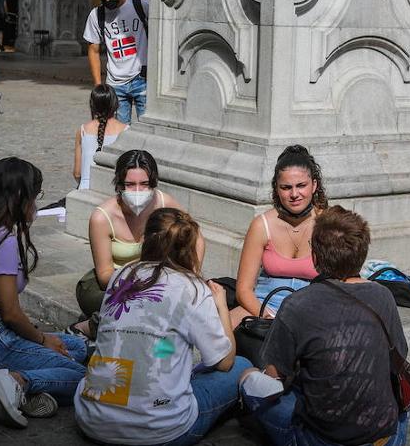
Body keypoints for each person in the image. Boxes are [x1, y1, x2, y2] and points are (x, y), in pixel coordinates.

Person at [75, 208, 251, 445]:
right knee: (241, 365)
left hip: (92, 420)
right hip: (159, 433)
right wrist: (220, 305)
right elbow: (225, 361)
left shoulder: (123, 275)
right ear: (191, 250)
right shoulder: (193, 289)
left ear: (145, 240)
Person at [239, 206, 410, 446]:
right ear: (361, 255)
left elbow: (275, 375)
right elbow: (400, 354)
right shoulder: (383, 295)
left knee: (249, 377)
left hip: (321, 439)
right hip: (382, 437)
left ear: (315, 258)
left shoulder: (297, 304)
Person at [0, 157, 89, 428]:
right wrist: (43, 339)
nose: (36, 204)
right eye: (35, 196)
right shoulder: (3, 241)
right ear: (21, 197)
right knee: (85, 377)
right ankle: (18, 382)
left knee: (78, 347)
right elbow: (10, 312)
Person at [76, 150, 187, 338]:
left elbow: (195, 236)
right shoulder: (102, 217)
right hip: (110, 286)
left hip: (154, 282)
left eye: (144, 184)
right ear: (119, 184)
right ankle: (86, 328)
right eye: (130, 184)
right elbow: (104, 275)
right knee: (145, 304)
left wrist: (191, 272)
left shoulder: (162, 203)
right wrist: (144, 286)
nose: (137, 191)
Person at [229, 146, 327, 328]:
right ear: (276, 189)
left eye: (301, 186)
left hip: (313, 307)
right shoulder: (261, 225)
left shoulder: (328, 223)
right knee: (220, 332)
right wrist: (265, 316)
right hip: (265, 303)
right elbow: (243, 290)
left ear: (314, 185)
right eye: (286, 187)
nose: (294, 194)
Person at [84, 0, 149, 124]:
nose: (109, 2)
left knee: (148, 131)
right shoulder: (96, 15)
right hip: (115, 84)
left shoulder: (141, 5)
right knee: (120, 135)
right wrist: (98, 85)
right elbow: (93, 50)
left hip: (143, 80)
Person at [73, 84, 128, 191]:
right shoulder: (126, 130)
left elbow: (77, 173)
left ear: (92, 105)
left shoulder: (83, 130)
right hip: (114, 189)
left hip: (86, 189)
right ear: (116, 104)